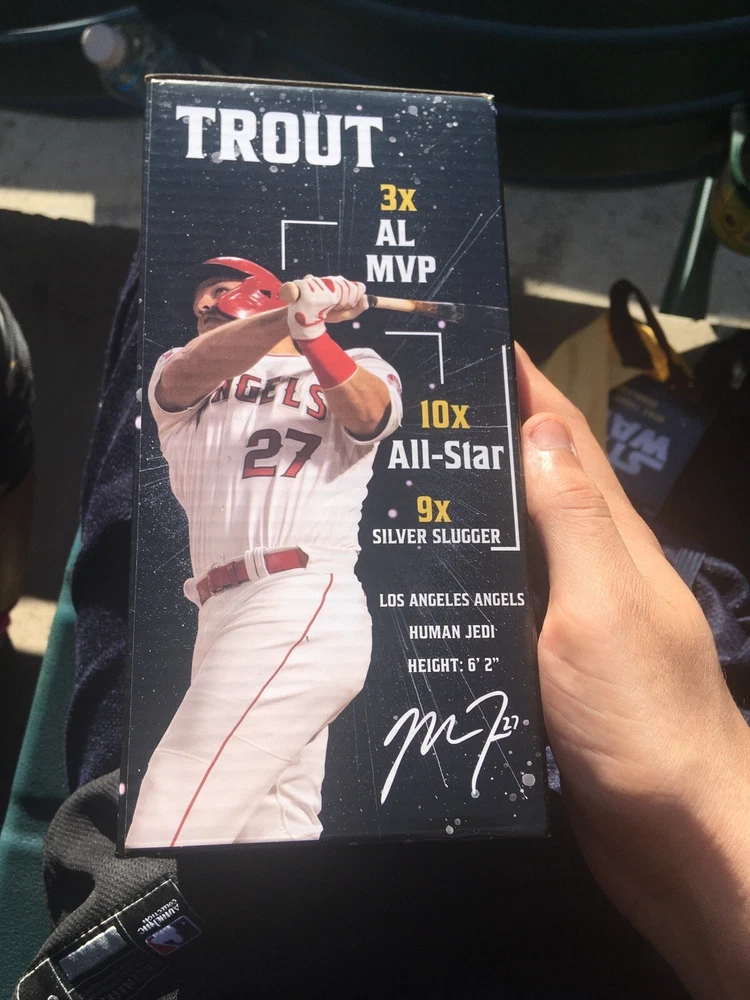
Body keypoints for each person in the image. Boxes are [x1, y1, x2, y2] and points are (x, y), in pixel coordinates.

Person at [126, 260, 403, 849]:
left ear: (268, 291)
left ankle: (130, 911)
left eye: (221, 290)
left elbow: (370, 414)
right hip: (219, 613)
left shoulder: (361, 363)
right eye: (199, 301)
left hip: (299, 595)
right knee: (274, 837)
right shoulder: (184, 371)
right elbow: (187, 373)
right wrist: (293, 315)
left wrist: (313, 335)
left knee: (173, 809)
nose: (204, 305)